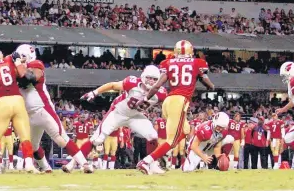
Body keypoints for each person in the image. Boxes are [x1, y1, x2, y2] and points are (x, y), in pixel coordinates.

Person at [138, 40, 215, 174]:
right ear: (191, 51)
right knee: (172, 141)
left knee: (185, 130)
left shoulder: (168, 63)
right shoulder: (197, 62)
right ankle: (147, 161)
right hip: (179, 102)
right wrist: (212, 87)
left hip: (168, 101)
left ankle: (157, 158)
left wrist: (145, 98)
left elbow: (156, 86)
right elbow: (206, 82)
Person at [15, 44, 91, 173]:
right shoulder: (15, 69)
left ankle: (85, 164)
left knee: (61, 139)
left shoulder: (36, 64)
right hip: (28, 114)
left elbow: (30, 78)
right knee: (32, 146)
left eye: (21, 56)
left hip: (43, 110)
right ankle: (46, 168)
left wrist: (17, 68)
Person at [79, 65, 167, 174]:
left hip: (135, 117)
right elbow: (112, 85)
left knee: (153, 136)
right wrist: (94, 92)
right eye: (149, 77)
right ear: (143, 76)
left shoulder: (161, 93)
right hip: (118, 113)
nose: (151, 81)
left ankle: (153, 165)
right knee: (97, 139)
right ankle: (76, 162)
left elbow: (167, 104)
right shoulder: (132, 82)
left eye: (154, 79)